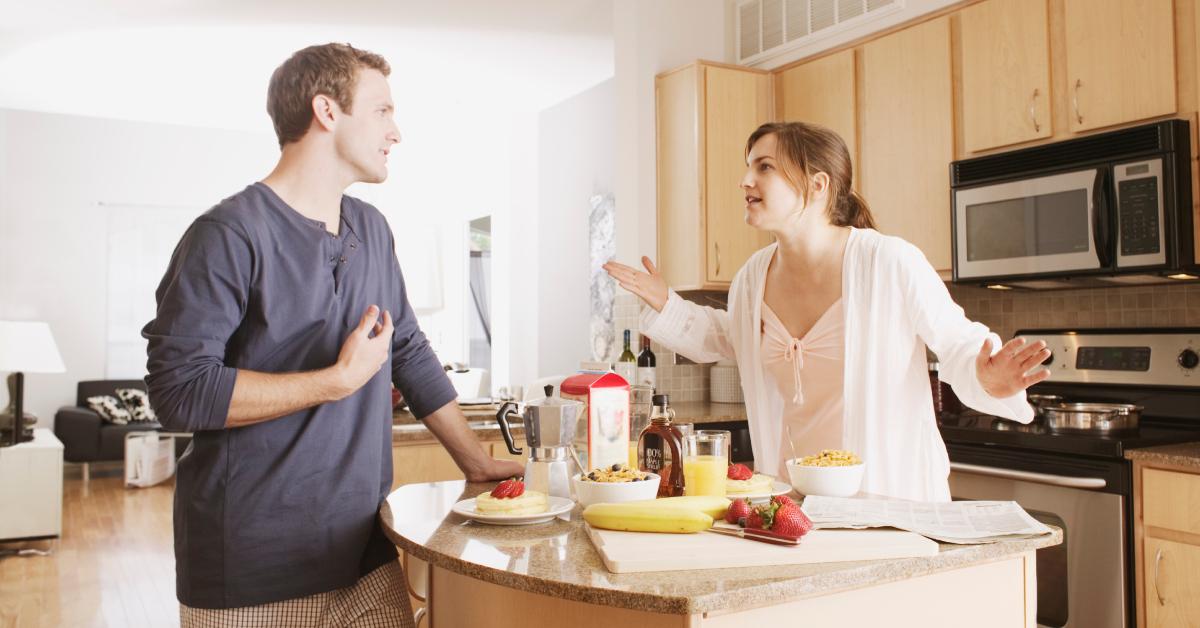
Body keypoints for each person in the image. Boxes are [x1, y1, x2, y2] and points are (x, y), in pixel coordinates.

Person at [142, 43, 523, 627]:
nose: (396, 132)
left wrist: (474, 460)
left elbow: (407, 350)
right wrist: (336, 381)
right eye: (382, 111)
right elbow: (178, 392)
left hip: (363, 552)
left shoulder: (370, 227)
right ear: (326, 111)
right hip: (251, 570)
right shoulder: (227, 234)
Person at [604, 121, 1049, 502]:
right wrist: (668, 303)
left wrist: (988, 378)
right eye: (748, 166)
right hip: (794, 504)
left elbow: (958, 341)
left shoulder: (888, 261)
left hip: (888, 504)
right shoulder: (752, 277)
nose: (745, 180)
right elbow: (727, 336)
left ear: (818, 185)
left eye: (765, 167)